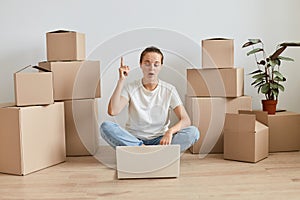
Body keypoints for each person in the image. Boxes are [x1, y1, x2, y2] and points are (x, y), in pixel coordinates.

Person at [100, 46, 199, 152]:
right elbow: (113, 111)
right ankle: (146, 151)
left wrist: (170, 132)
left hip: (160, 140)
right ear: (141, 65)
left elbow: (186, 120)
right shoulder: (130, 88)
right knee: (106, 127)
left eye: (156, 64)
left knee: (193, 132)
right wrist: (121, 80)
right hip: (134, 140)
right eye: (147, 63)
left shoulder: (169, 90)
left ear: (161, 66)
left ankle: (144, 153)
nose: (151, 68)